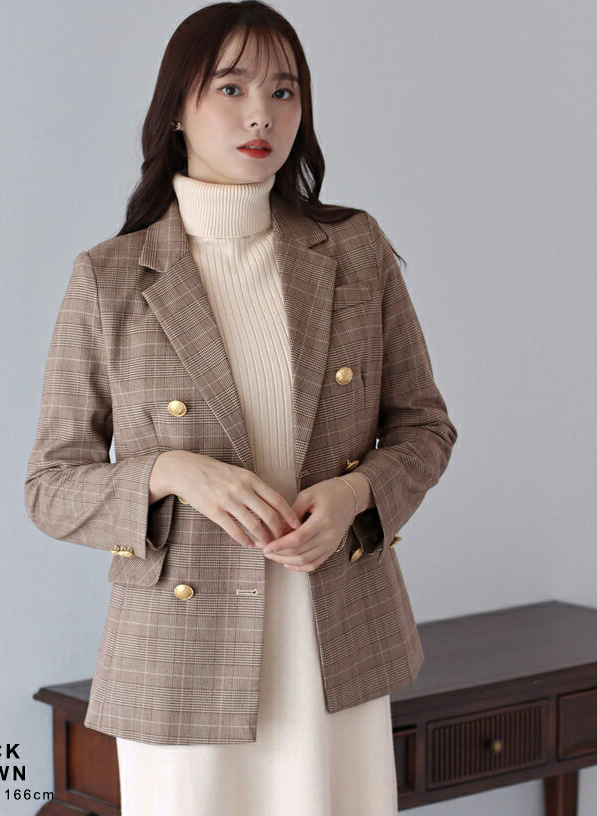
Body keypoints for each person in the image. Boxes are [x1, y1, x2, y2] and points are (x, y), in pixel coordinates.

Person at [24, 2, 458, 814]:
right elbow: (50, 487)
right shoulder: (109, 278)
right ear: (177, 110)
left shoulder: (354, 248)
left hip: (337, 642)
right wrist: (170, 472)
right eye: (231, 88)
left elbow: (425, 427)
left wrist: (355, 494)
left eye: (284, 92)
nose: (262, 114)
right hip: (180, 661)